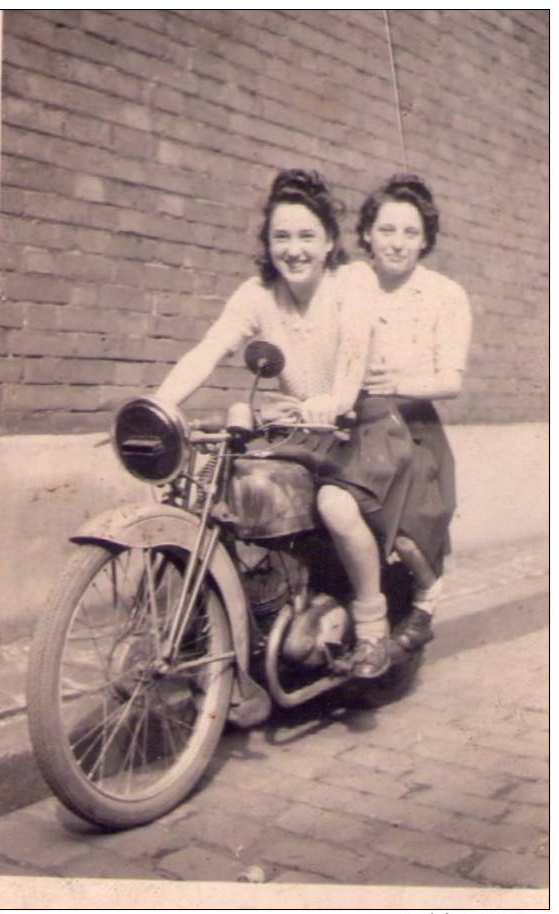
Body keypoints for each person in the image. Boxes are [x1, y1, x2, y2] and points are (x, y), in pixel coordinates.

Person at [155, 169, 400, 678]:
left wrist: (333, 399)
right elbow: (210, 348)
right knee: (233, 493)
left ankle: (372, 628)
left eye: (307, 236)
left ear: (330, 241)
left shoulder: (350, 282)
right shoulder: (256, 295)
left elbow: (353, 353)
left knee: (335, 505)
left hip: (364, 423)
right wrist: (159, 402)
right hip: (304, 429)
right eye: (281, 236)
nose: (294, 249)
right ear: (267, 244)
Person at [353, 173, 472, 650]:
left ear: (424, 240)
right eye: (387, 230)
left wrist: (398, 383)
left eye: (409, 233)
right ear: (366, 233)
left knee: (405, 535)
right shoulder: (351, 282)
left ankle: (425, 597)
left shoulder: (445, 295)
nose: (397, 244)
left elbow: (451, 381)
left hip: (413, 429)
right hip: (353, 425)